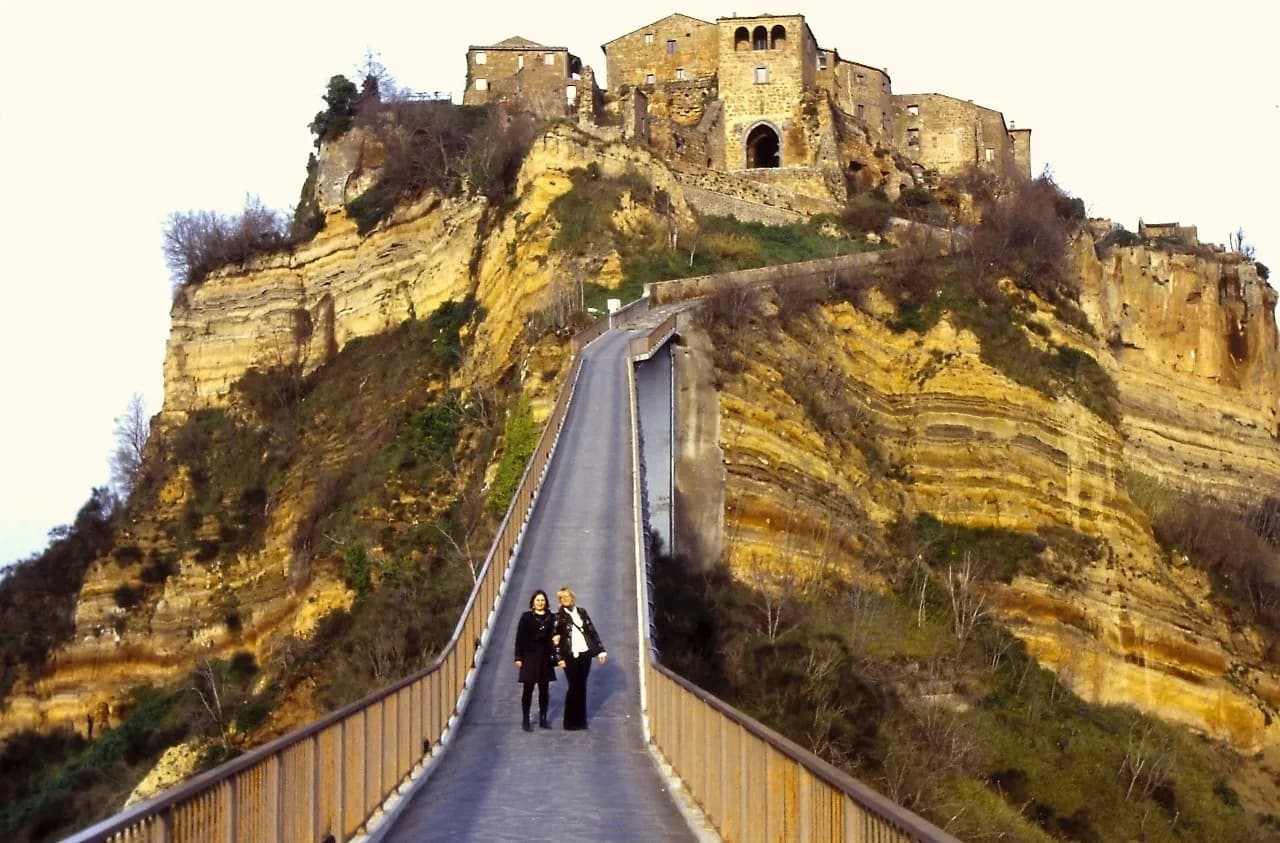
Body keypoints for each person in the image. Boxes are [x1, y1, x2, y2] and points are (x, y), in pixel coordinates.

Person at [554, 586, 607, 731]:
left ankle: (580, 721)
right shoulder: (558, 617)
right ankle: (570, 722)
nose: (565, 599)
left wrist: (601, 651)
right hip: (570, 655)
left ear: (573, 597)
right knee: (573, 686)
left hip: (585, 654)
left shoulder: (582, 612)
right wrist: (559, 658)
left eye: (567, 596)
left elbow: (591, 631)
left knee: (582, 686)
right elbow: (554, 640)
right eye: (561, 598)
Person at [513, 589, 558, 731]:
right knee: (528, 688)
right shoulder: (526, 617)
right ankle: (525, 719)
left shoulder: (551, 617)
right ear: (533, 602)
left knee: (544, 689)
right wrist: (518, 657)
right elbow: (519, 638)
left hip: (545, 656)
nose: (540, 603)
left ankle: (543, 718)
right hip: (529, 656)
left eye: (543, 600)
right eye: (538, 600)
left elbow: (555, 635)